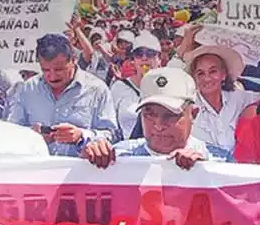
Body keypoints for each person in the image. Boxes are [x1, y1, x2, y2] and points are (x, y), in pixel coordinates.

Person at [82, 67, 231, 169]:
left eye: (171, 115)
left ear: (193, 114)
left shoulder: (219, 161)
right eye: (150, 114)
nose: (159, 125)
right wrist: (88, 164)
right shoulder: (118, 156)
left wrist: (206, 175)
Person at [5, 33, 119, 157]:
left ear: (73, 60)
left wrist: (81, 136)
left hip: (80, 172)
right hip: (37, 171)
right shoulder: (27, 89)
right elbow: (11, 132)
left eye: (59, 70)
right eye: (46, 70)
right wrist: (32, 136)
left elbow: (112, 135)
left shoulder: (97, 89)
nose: (52, 76)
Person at [185, 43, 258, 152]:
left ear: (223, 75)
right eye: (200, 73)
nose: (207, 78)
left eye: (213, 71)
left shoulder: (239, 98)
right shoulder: (187, 106)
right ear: (194, 77)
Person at [110, 32, 162, 138]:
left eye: (150, 53)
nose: (144, 58)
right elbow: (110, 126)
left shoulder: (167, 86)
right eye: (139, 53)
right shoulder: (119, 87)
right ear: (134, 59)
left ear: (159, 59)